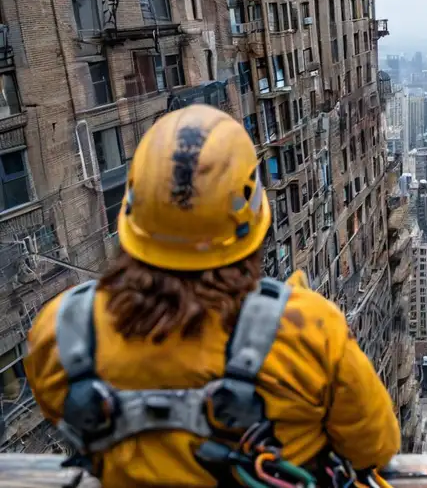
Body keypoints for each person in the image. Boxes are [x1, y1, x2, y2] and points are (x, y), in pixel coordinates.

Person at [25, 104, 400, 487]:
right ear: (252, 215)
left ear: (132, 213)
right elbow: (375, 448)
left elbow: (64, 418)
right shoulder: (308, 329)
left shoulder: (63, 333)